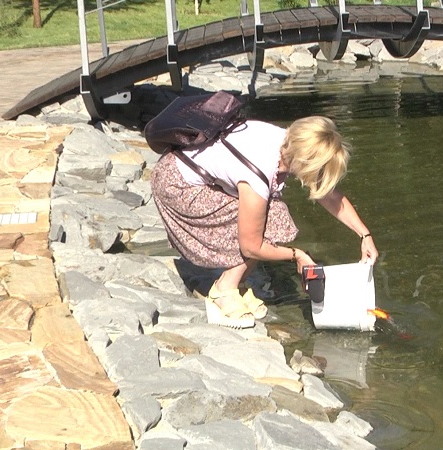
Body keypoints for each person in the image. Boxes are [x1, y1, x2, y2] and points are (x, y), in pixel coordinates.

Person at [150, 116, 378, 329]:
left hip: (186, 171)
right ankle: (222, 292)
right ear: (305, 161)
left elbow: (328, 194)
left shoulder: (288, 142)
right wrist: (296, 254)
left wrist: (364, 235)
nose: (317, 177)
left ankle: (236, 283)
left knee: (269, 214)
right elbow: (251, 245)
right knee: (272, 218)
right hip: (175, 186)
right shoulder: (259, 171)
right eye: (318, 170)